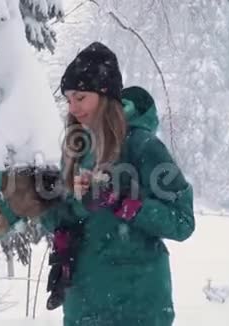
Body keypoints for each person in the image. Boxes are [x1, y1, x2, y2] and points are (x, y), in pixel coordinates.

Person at [40, 41, 195, 326]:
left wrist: (123, 203)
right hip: (83, 308)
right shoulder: (75, 149)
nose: (73, 108)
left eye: (81, 97)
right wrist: (70, 206)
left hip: (139, 309)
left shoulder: (144, 146)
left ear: (104, 95)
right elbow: (52, 220)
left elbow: (183, 222)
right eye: (69, 99)